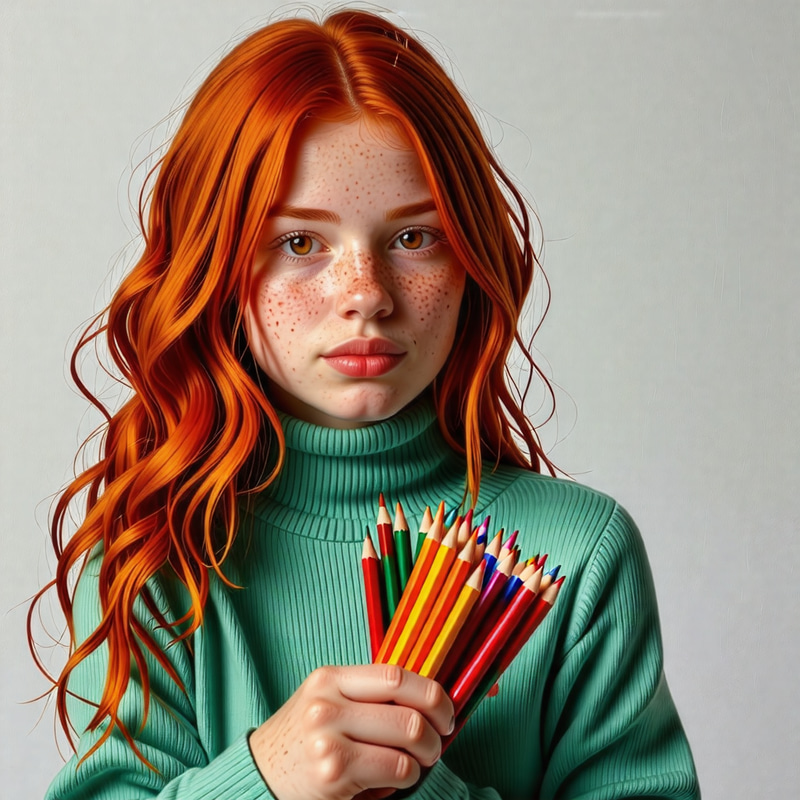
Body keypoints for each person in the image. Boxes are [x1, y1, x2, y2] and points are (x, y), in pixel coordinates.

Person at [32, 8, 700, 800]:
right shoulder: (158, 550)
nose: (367, 295)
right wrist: (265, 777)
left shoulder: (579, 553)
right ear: (217, 271)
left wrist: (418, 788)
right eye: (300, 243)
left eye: (415, 238)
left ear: (472, 259)